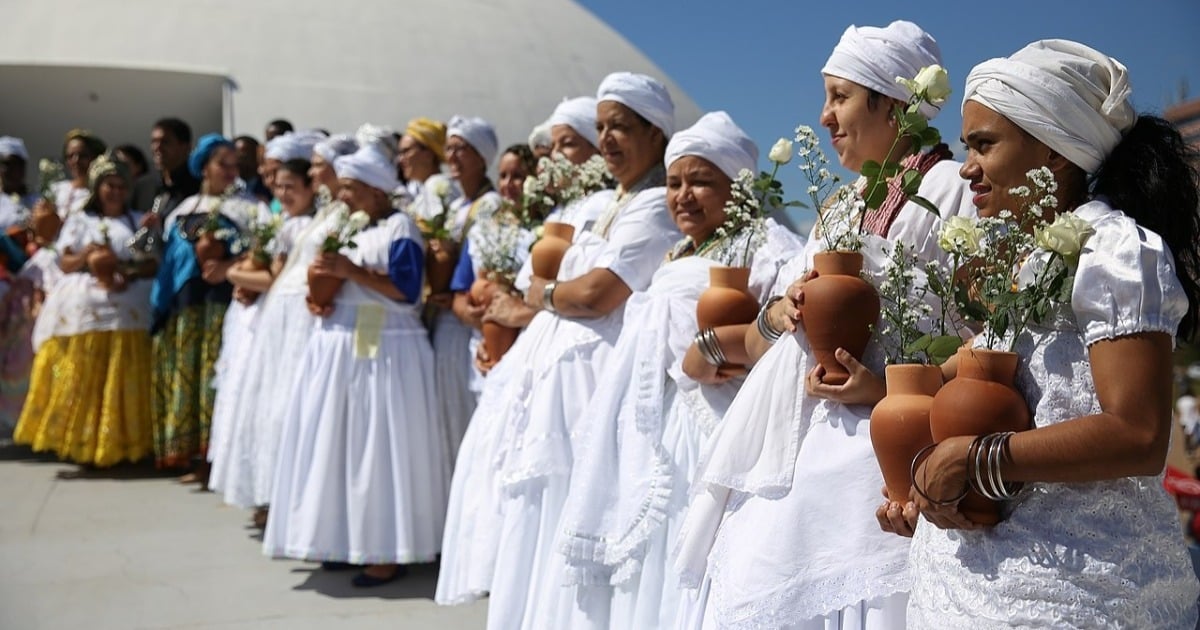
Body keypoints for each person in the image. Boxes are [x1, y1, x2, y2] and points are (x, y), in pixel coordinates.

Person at [887, 39, 1200, 628]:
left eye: (984, 144)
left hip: (1077, 593)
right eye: (966, 147)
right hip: (966, 588)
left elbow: (1138, 434)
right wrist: (923, 485)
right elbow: (962, 379)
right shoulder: (1030, 262)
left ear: (1054, 152)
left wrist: (972, 461)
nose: (966, 168)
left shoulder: (1115, 249)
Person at [676, 21, 975, 629]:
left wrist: (883, 388)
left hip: (881, 450)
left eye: (840, 97)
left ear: (893, 104)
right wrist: (780, 311)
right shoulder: (839, 204)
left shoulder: (952, 191)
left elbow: (984, 340)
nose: (824, 117)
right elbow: (761, 336)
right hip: (795, 446)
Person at [557, 111, 803, 629]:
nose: (684, 196)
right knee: (654, 544)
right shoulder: (678, 249)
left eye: (701, 181)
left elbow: (787, 327)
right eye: (674, 183)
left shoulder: (766, 243)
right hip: (661, 420)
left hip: (713, 421)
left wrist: (713, 348)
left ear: (737, 187)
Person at [485, 71, 681, 630]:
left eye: (620, 127)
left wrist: (545, 294)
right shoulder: (602, 202)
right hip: (560, 378)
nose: (606, 140)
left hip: (598, 381)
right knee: (543, 513)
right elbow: (550, 278)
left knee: (578, 509)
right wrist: (555, 292)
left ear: (655, 132)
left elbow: (598, 295)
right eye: (600, 128)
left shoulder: (656, 205)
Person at [435, 96, 613, 608]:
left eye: (567, 145)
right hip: (534, 355)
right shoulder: (562, 211)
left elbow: (593, 299)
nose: (553, 157)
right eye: (550, 148)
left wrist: (522, 311)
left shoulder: (604, 210)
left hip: (580, 364)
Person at [263, 145, 449, 588]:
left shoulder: (400, 227)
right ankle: (347, 540)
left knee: (379, 447)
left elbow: (407, 290)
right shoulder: (346, 225)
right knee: (343, 445)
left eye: (350, 188)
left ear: (376, 190)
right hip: (343, 344)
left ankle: (386, 550)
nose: (341, 196)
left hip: (387, 345)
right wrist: (321, 295)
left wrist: (351, 272)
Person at [14, 153, 156, 466]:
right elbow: (64, 262)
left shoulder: (137, 220)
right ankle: (81, 440)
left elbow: (150, 262)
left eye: (121, 186)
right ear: (97, 188)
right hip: (86, 296)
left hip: (125, 298)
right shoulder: (80, 221)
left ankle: (123, 441)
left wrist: (126, 272)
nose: (115, 192)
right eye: (109, 185)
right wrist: (86, 257)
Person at [207, 156, 317, 525]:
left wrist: (232, 275)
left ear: (310, 188)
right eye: (279, 186)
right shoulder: (280, 223)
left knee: (288, 402)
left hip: (296, 319)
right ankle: (267, 491)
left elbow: (274, 276)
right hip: (275, 320)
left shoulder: (307, 226)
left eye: (292, 187)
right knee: (266, 401)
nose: (283, 193)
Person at [149, 133, 266, 476]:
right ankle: (189, 454)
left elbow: (262, 252)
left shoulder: (250, 208)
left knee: (217, 375)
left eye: (234, 165)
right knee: (187, 374)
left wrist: (229, 266)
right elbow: (169, 261)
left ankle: (216, 458)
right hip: (186, 306)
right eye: (222, 164)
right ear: (204, 167)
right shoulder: (182, 209)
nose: (230, 171)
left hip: (224, 305)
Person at [428, 116, 503, 460]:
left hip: (465, 321)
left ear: (481, 156)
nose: (452, 157)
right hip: (444, 318)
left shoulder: (490, 205)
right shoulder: (455, 206)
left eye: (462, 149)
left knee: (462, 409)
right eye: (450, 149)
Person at [130, 117, 200, 217]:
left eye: (165, 142)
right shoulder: (144, 186)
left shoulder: (199, 187)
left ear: (185, 147)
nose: (157, 147)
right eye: (154, 141)